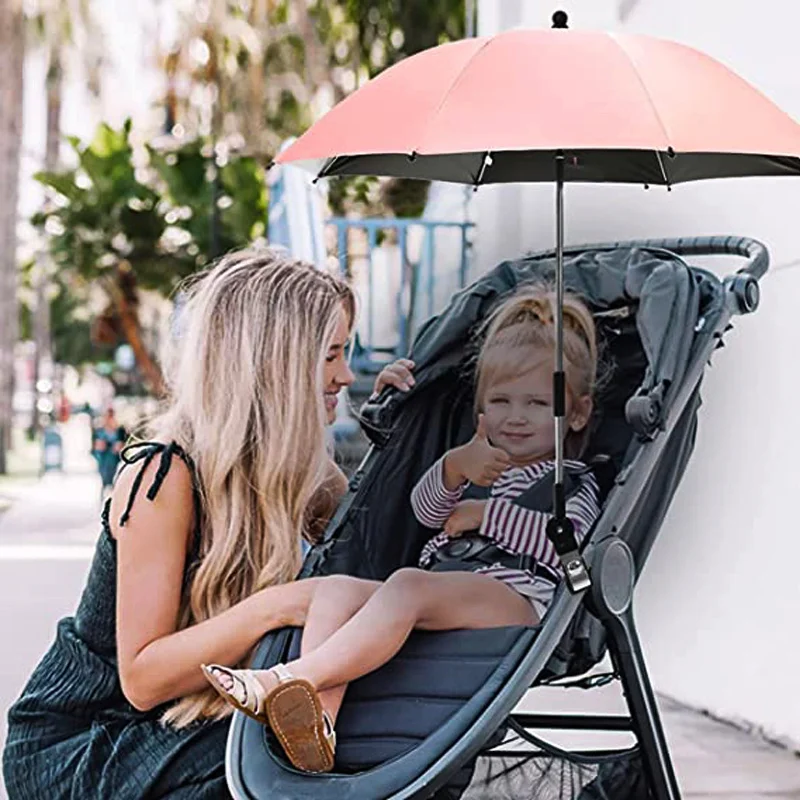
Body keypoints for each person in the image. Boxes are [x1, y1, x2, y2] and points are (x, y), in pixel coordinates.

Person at [2, 248, 411, 799]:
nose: (344, 375)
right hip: (88, 740)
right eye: (331, 355)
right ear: (275, 363)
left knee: (354, 731)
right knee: (288, 753)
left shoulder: (300, 472)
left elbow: (380, 562)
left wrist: (396, 432)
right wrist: (281, 605)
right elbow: (142, 679)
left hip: (185, 723)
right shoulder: (165, 475)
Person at [202, 285, 603, 774]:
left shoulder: (571, 480)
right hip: (446, 589)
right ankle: (319, 719)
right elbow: (426, 514)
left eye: (538, 404)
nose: (516, 417)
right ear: (481, 410)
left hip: (519, 597)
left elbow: (569, 547)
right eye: (501, 401)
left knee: (408, 585)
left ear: (577, 413)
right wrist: (454, 469)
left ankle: (287, 679)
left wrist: (484, 516)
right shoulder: (473, 463)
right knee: (335, 589)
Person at [92, 406, 127, 500]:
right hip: (103, 458)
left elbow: (122, 445)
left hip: (114, 458)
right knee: (104, 476)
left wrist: (118, 446)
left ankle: (112, 494)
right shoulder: (99, 430)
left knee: (113, 475)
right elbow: (96, 446)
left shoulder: (120, 430)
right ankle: (105, 492)